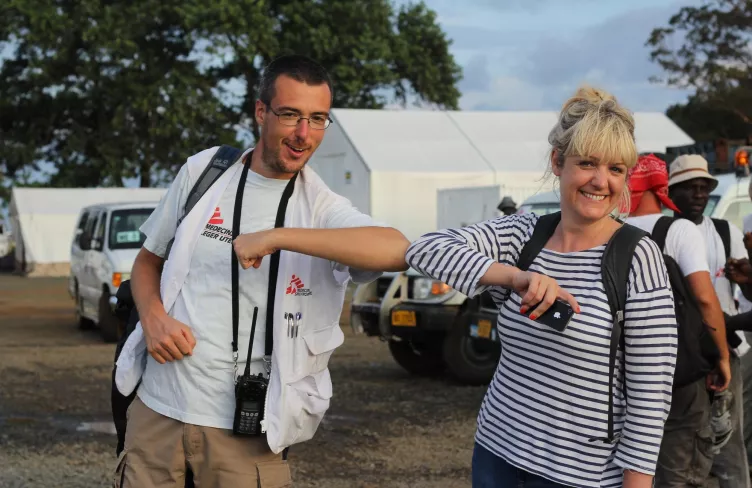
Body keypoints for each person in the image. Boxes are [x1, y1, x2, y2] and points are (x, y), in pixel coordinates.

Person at [113, 54, 410, 487]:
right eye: (290, 115)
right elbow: (147, 261)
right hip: (157, 412)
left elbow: (396, 249)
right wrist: (154, 317)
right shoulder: (205, 172)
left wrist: (277, 237)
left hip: (249, 430)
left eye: (318, 119)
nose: (303, 134)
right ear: (260, 112)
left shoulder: (322, 207)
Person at [406, 86, 677, 488]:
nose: (601, 181)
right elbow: (426, 249)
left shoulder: (637, 257)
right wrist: (514, 277)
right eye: (587, 163)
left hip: (581, 474)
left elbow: (650, 398)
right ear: (557, 161)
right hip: (498, 453)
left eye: (616, 169)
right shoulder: (523, 235)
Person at [625, 153, 730, 486]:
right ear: (662, 187)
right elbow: (704, 297)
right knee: (679, 463)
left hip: (624, 368)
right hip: (676, 369)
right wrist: (722, 356)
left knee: (633, 459)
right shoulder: (679, 229)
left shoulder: (610, 230)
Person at [668, 154, 752, 487]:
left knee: (730, 444)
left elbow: (748, 293)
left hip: (727, 351)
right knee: (683, 445)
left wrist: (745, 280)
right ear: (671, 193)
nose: (700, 194)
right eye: (690, 188)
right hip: (684, 359)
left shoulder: (724, 230)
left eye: (705, 187)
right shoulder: (663, 233)